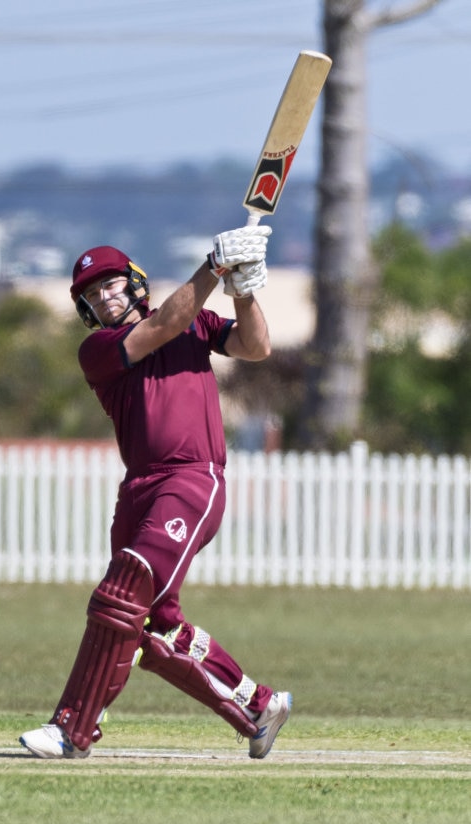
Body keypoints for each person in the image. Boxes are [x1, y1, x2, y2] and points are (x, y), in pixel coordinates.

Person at [19, 224, 292, 760]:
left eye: (111, 285)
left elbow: (256, 346)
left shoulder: (197, 325)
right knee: (153, 627)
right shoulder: (98, 349)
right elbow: (166, 323)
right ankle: (257, 707)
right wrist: (215, 266)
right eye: (92, 296)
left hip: (191, 479)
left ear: (135, 283)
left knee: (121, 594)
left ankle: (72, 729)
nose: (104, 298)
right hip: (139, 488)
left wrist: (243, 285)